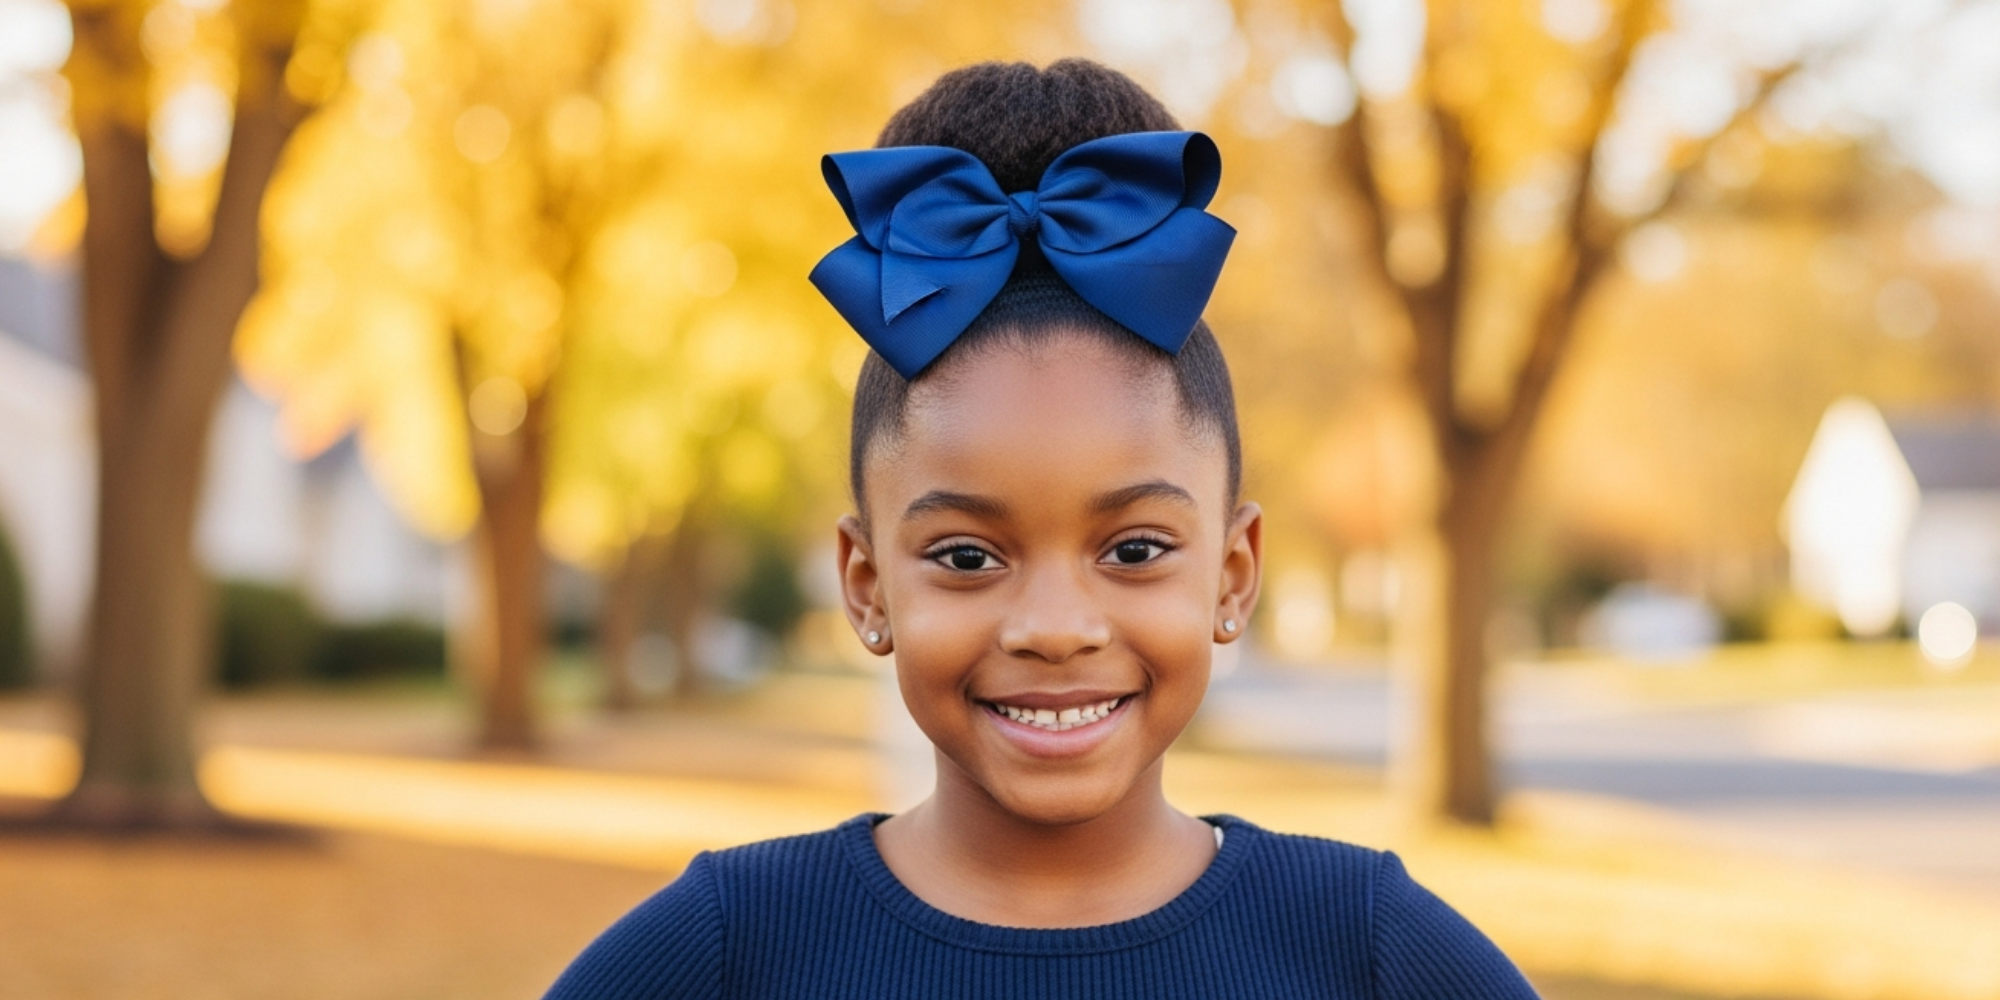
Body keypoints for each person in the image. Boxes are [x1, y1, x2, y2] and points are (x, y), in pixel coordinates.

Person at [544, 59, 1540, 1000]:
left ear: (1234, 573)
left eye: (1134, 549)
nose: (1055, 624)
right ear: (865, 582)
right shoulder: (730, 949)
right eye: (967, 557)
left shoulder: (1364, 949)